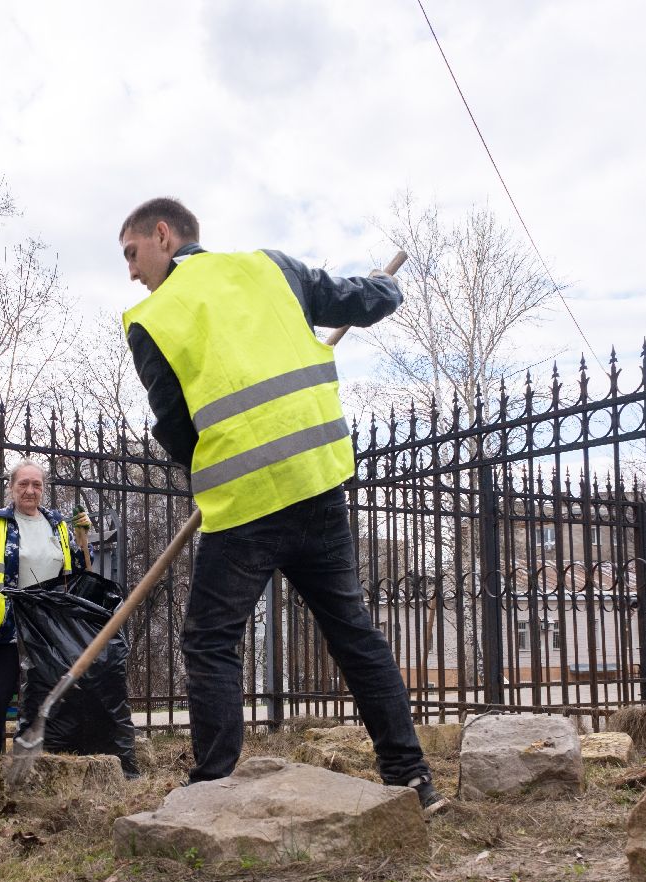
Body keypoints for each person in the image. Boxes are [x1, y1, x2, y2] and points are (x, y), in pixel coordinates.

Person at [117, 196, 447, 815]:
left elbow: (175, 426)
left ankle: (214, 785)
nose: (132, 271)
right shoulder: (269, 267)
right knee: (352, 632)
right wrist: (384, 290)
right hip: (318, 483)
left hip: (245, 504)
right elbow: (362, 302)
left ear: (163, 235)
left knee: (211, 639)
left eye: (132, 254)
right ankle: (412, 779)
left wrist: (220, 466)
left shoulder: (153, 318)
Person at [0, 460, 89, 758]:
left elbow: (80, 569)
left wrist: (83, 538)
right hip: (6, 625)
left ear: (43, 489)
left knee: (46, 696)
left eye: (37, 485)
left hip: (49, 627)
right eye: (23, 484)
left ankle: (41, 761)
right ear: (11, 487)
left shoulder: (58, 525)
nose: (30, 491)